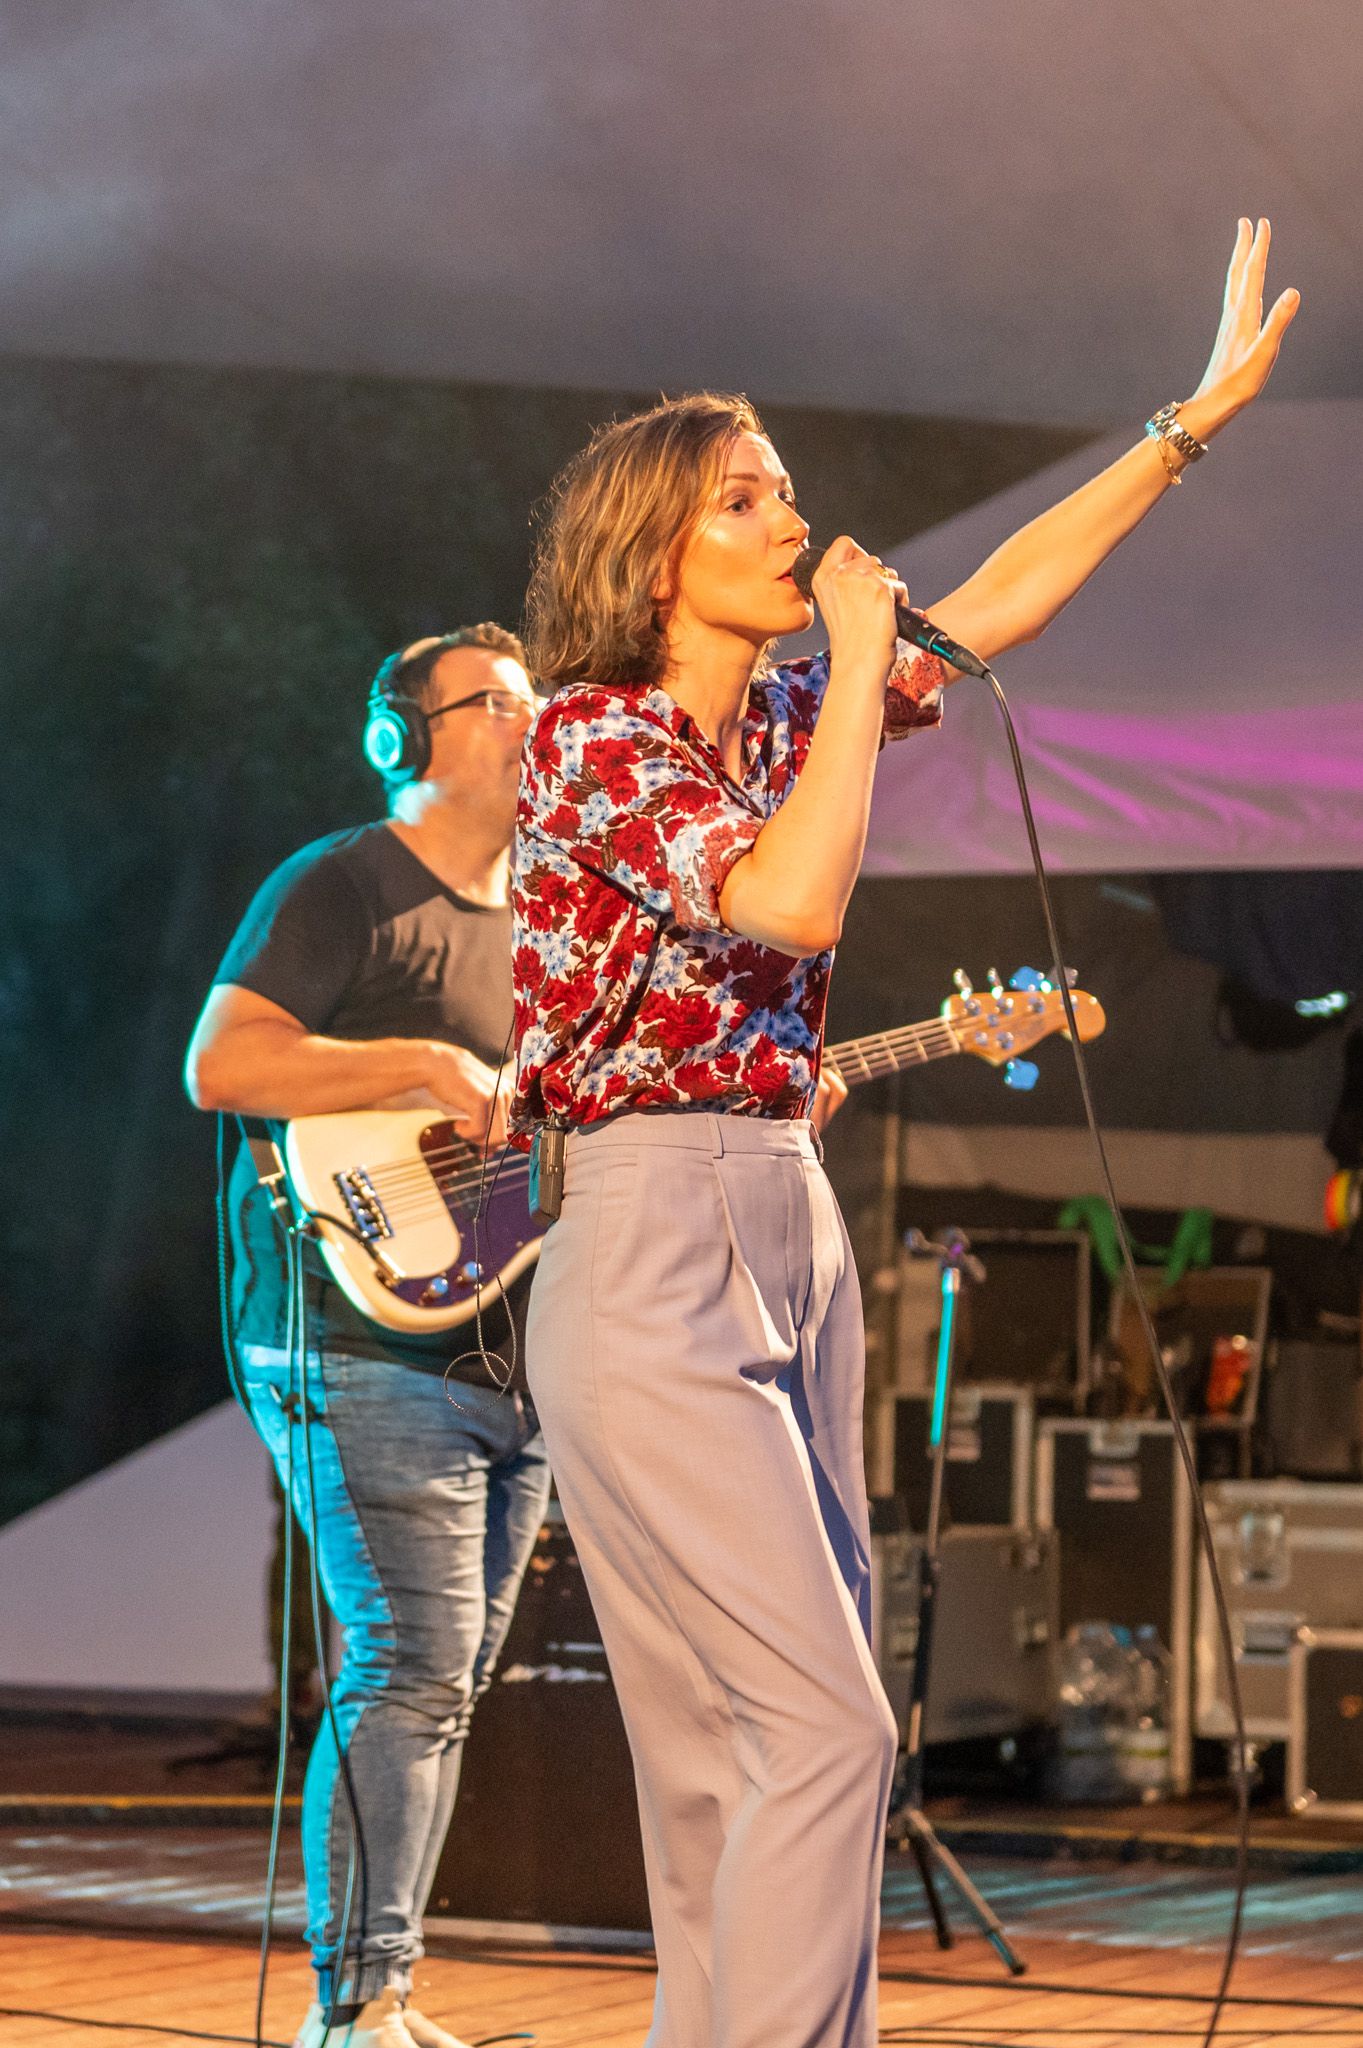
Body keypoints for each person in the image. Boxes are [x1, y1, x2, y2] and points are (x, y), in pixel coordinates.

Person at [509, 220, 1297, 2048]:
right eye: (747, 499)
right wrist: (863, 662)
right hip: (645, 1234)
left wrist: (1185, 427)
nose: (794, 519)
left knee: (737, 1759)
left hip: (783, 1212)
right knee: (818, 1729)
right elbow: (788, 906)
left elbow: (1004, 597)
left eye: (788, 486)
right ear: (652, 557)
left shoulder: (796, 708)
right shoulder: (594, 742)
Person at [185, 625, 550, 2048]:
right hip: (348, 1338)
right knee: (411, 1662)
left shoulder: (557, 916)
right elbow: (223, 1062)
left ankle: (378, 1993)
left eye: (534, 701)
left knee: (443, 1680)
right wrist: (423, 1062)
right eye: (498, 703)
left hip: (508, 1347)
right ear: (406, 740)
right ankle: (358, 2005)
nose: (530, 722)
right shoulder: (343, 885)